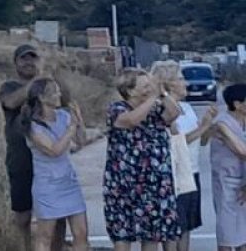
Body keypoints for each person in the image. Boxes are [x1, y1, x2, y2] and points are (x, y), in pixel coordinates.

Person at [102, 68, 181, 251]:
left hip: (155, 184)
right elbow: (130, 121)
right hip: (124, 185)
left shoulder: (155, 108)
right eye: (145, 86)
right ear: (129, 91)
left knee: (152, 234)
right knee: (123, 233)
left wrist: (163, 94)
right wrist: (153, 97)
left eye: (150, 85)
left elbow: (174, 114)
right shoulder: (117, 109)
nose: (149, 89)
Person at [0, 44, 68, 251]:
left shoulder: (50, 87)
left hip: (50, 159)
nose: (29, 62)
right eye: (24, 59)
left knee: (58, 212)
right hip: (21, 158)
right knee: (23, 215)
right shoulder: (9, 86)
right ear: (15, 63)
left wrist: (51, 81)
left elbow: (65, 104)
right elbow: (10, 103)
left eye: (33, 58)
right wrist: (36, 84)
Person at [150, 62, 218, 251]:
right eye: (180, 78)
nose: (185, 83)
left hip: (191, 171)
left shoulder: (187, 107)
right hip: (175, 174)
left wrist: (207, 126)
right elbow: (177, 141)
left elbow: (200, 141)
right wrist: (203, 127)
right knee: (174, 227)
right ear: (168, 83)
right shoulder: (164, 109)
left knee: (187, 225)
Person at [21, 78, 88, 251]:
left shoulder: (64, 117)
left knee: (81, 233)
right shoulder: (33, 126)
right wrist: (71, 128)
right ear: (42, 98)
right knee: (45, 235)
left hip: (68, 181)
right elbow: (54, 150)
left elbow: (80, 142)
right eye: (54, 91)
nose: (59, 94)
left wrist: (79, 122)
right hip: (47, 185)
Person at [207, 83, 246, 251]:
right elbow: (242, 152)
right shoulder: (222, 123)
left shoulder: (243, 121)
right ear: (237, 104)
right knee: (228, 232)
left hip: (243, 182)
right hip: (227, 182)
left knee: (243, 233)